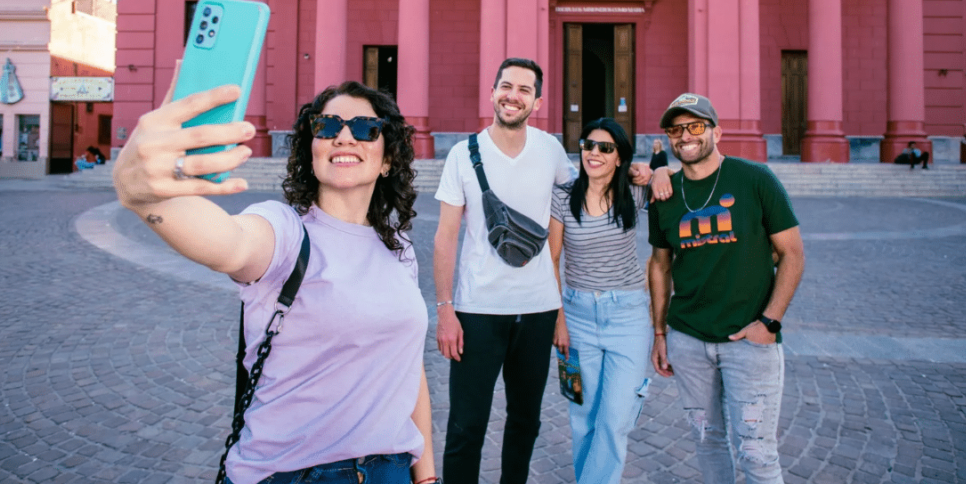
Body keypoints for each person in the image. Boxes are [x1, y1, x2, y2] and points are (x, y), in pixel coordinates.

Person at [112, 75, 438, 484]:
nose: (344, 137)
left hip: (390, 471)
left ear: (387, 158)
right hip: (294, 474)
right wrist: (143, 192)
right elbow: (230, 244)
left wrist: (426, 477)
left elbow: (407, 366)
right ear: (312, 147)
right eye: (328, 126)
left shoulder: (398, 248)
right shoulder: (283, 230)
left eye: (365, 128)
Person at [433, 58, 663, 484]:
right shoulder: (463, 154)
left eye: (524, 90)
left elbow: (591, 185)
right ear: (492, 92)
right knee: (466, 426)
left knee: (525, 422)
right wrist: (445, 309)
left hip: (538, 311)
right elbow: (445, 237)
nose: (512, 95)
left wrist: (648, 169)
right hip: (477, 310)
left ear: (537, 101)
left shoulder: (551, 150)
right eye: (506, 86)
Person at [648, 93, 805, 484]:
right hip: (688, 340)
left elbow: (793, 254)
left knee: (757, 453)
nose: (685, 136)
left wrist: (768, 324)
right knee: (707, 442)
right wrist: (660, 332)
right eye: (676, 129)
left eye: (695, 126)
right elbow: (660, 265)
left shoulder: (755, 180)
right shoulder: (664, 195)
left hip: (748, 341)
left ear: (717, 132)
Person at [549, 118, 657, 484]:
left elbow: (672, 177)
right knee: (583, 418)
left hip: (628, 316)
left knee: (614, 419)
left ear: (619, 158)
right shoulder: (563, 196)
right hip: (577, 317)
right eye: (588, 144)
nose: (594, 153)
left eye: (605, 148)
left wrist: (659, 171)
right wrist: (558, 319)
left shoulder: (633, 193)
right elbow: (552, 258)